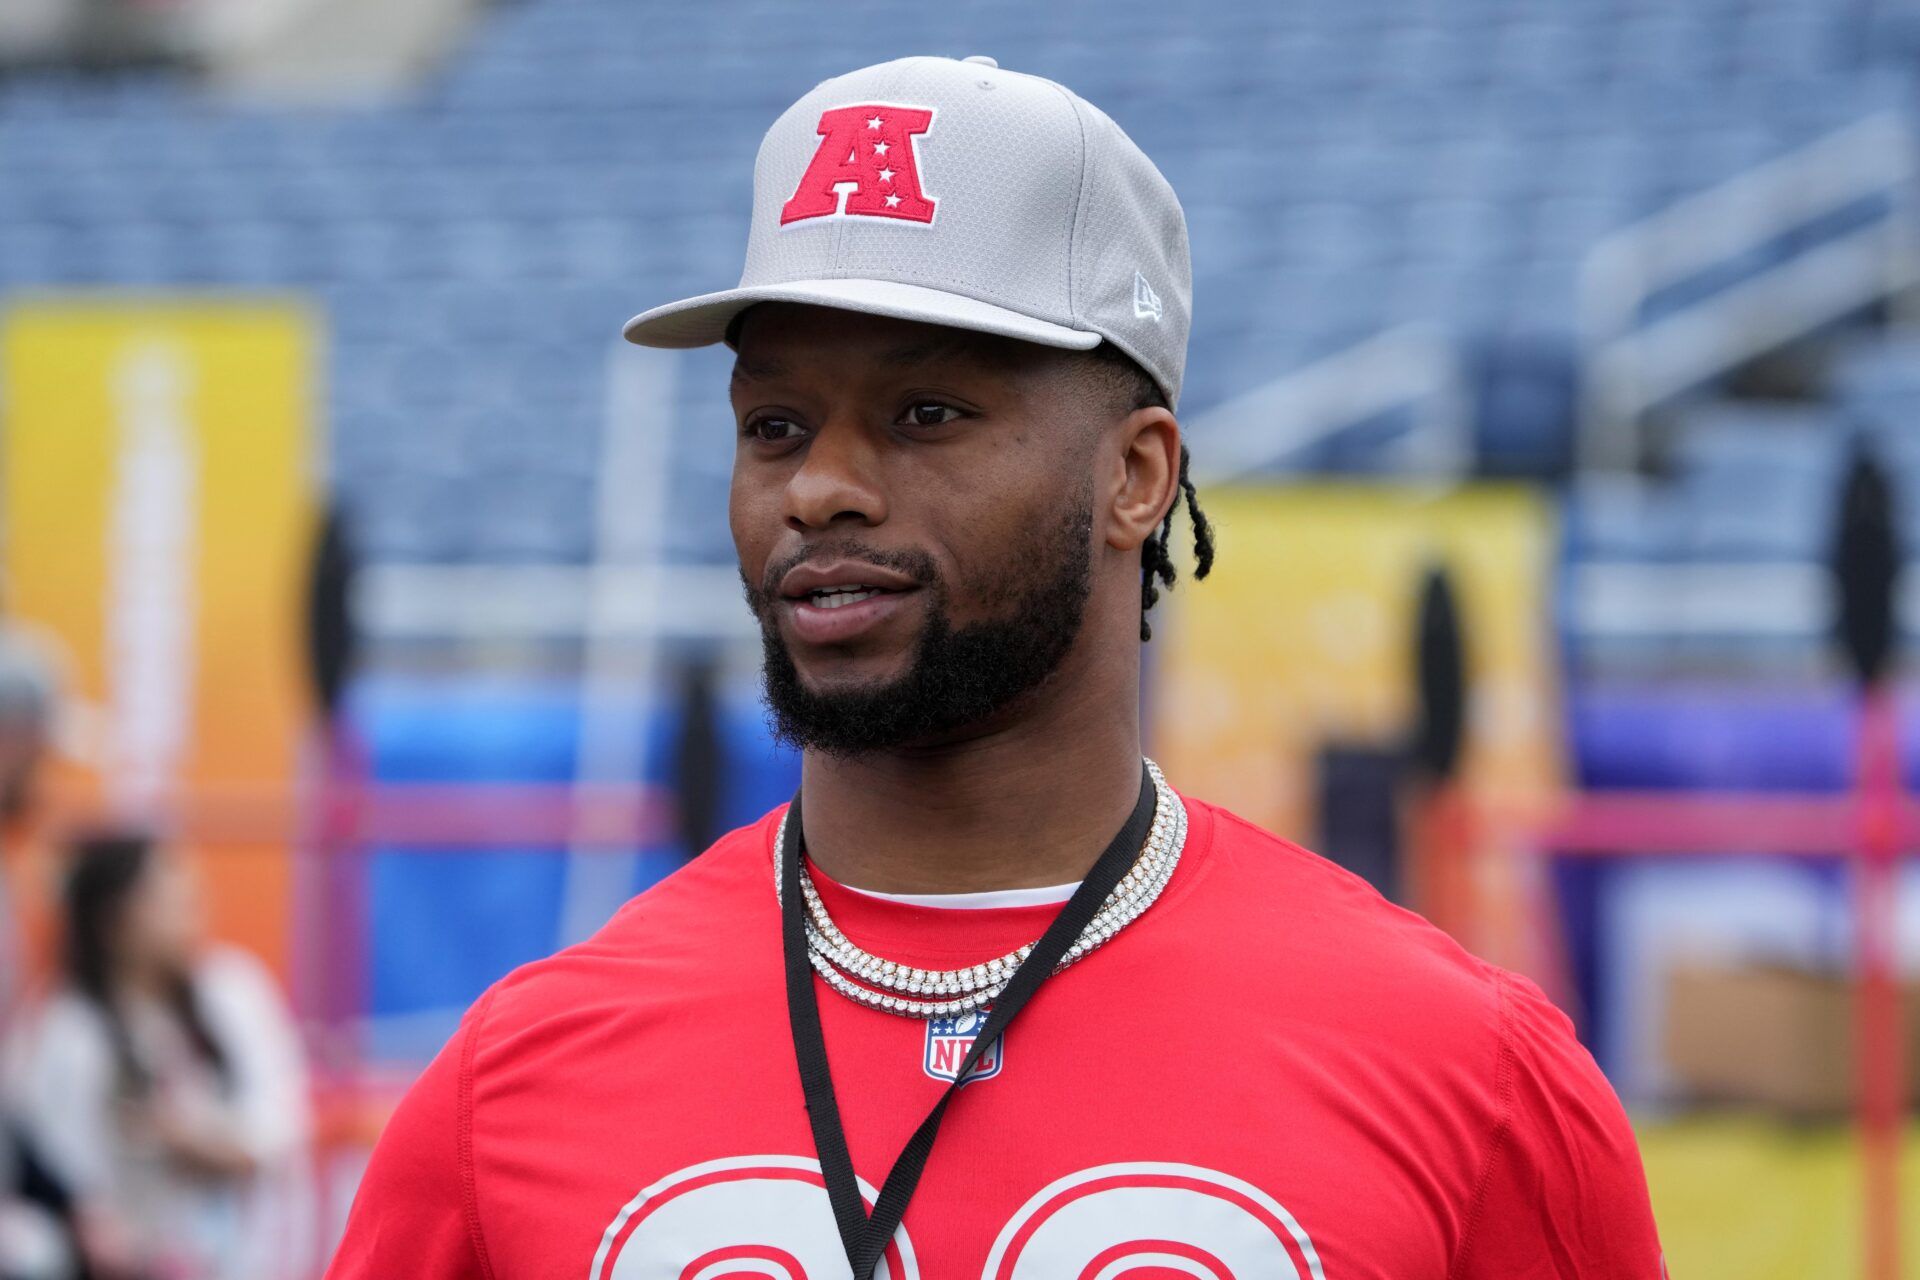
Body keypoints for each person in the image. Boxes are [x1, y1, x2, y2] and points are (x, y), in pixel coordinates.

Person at [327, 54, 1666, 1278]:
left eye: (926, 413)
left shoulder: (1470, 1080)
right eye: (774, 424)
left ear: (1135, 476)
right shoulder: (513, 1088)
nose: (820, 488)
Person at [8, 832, 314, 1280]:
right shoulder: (69, 1028)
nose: (190, 913)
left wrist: (205, 1144)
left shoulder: (231, 991)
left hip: (240, 1252)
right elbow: (62, 1169)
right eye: (165, 900)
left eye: (190, 896)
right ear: (114, 920)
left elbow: (280, 1123)